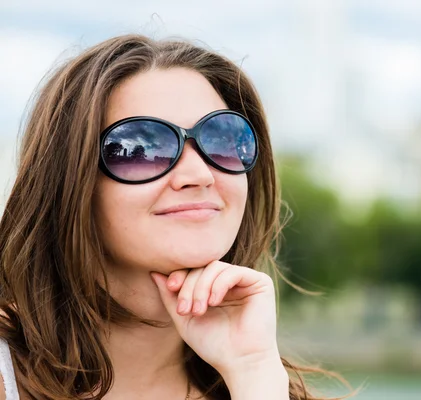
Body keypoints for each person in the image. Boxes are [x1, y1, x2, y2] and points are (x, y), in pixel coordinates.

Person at [0, 34, 353, 399]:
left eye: (224, 139)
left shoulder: (264, 383)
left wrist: (253, 375)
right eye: (138, 149)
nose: (199, 175)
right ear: (67, 181)